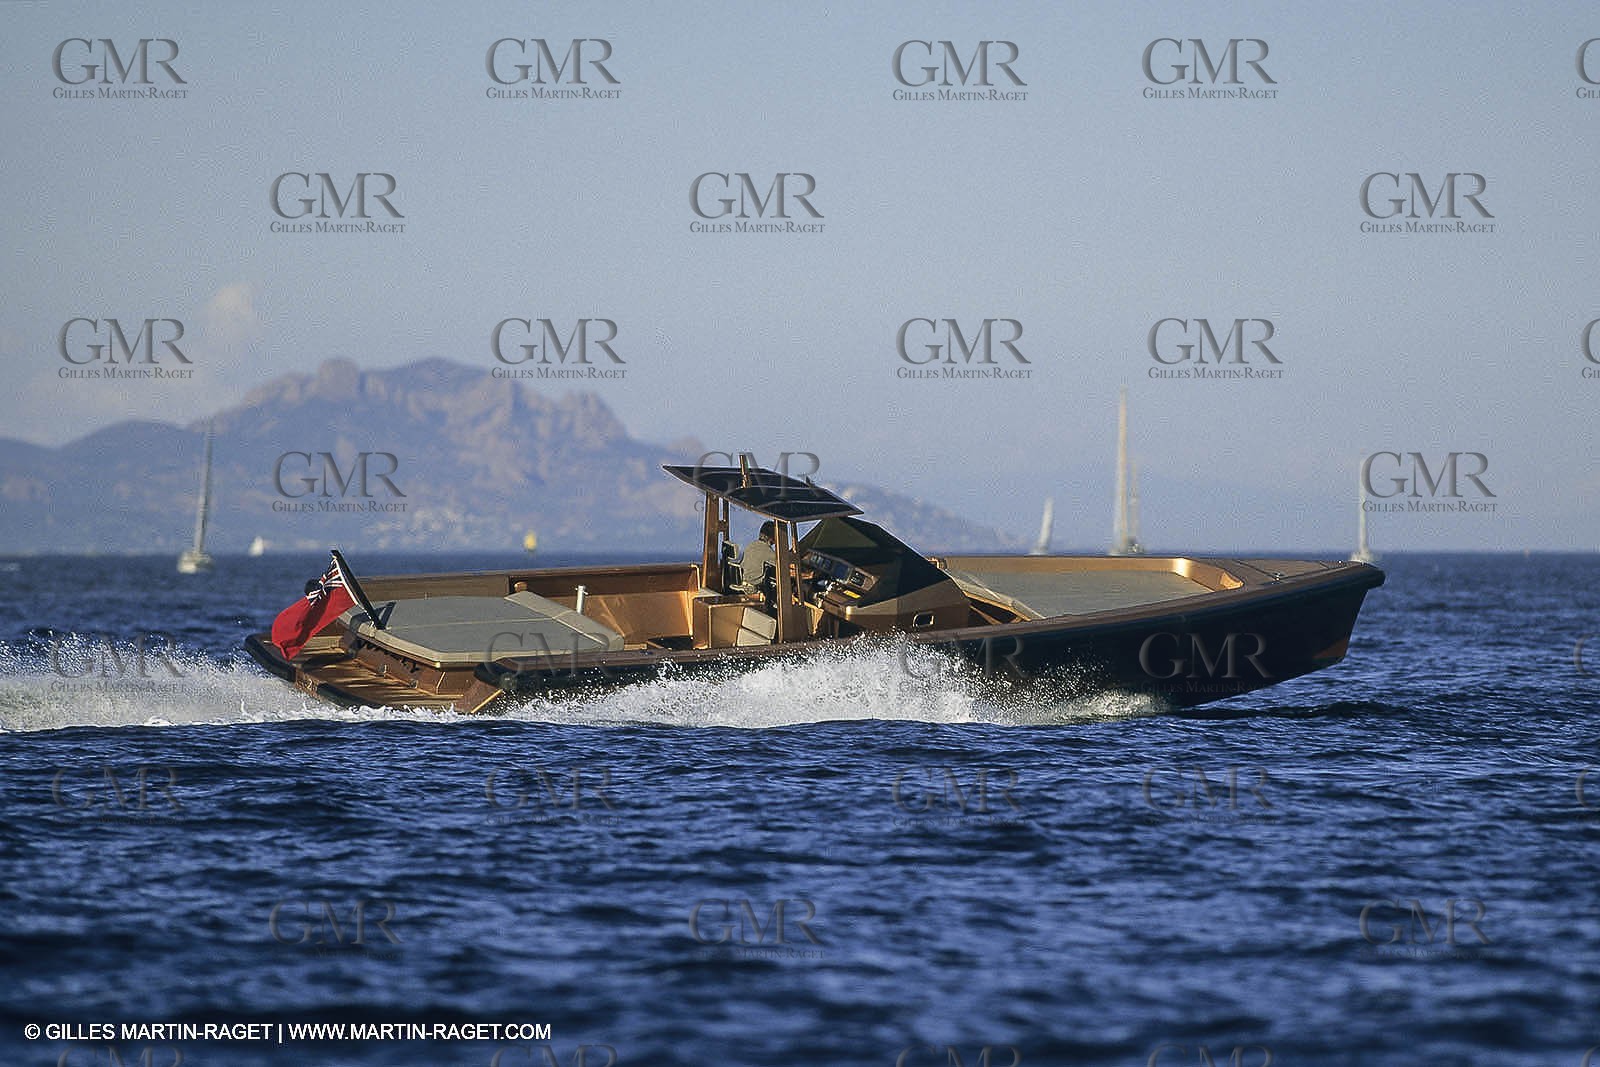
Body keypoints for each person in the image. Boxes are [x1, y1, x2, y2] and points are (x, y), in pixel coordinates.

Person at [735, 521, 777, 596]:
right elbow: (781, 569)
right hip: (754, 588)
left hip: (745, 582)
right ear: (772, 538)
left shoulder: (751, 545)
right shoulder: (768, 552)